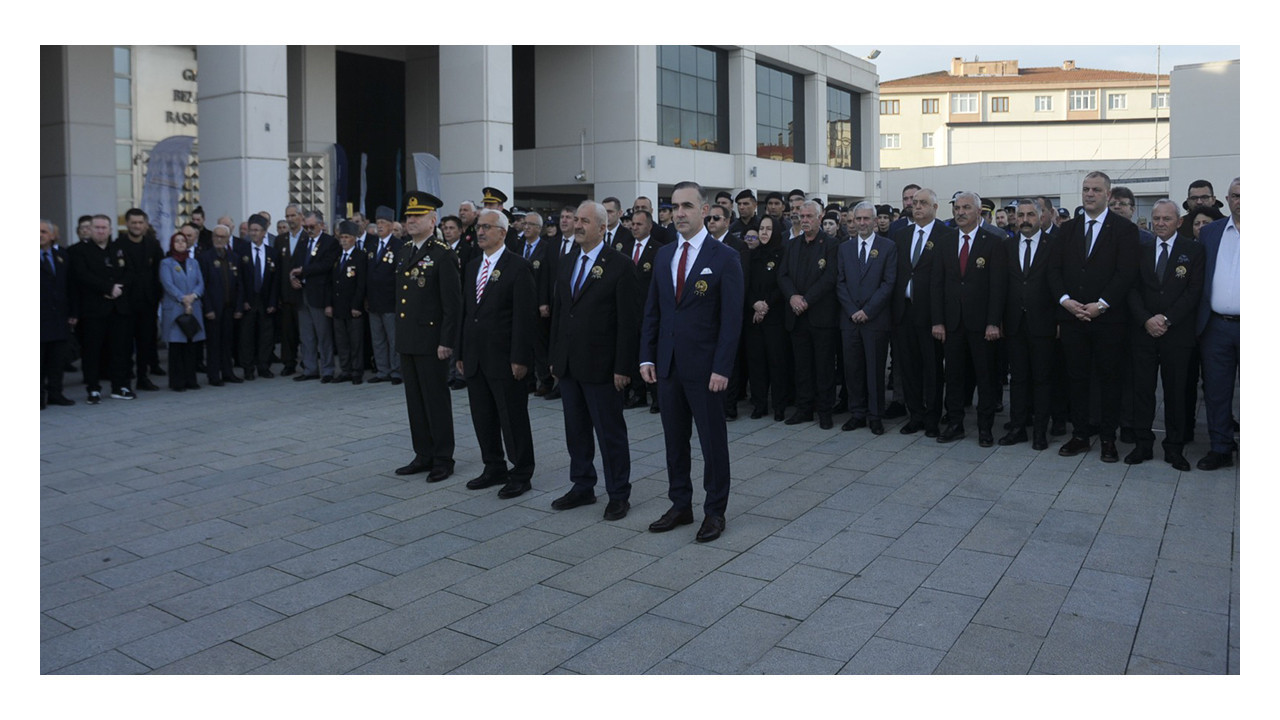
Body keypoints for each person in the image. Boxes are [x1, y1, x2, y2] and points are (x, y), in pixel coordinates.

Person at [640, 181, 744, 543]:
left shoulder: (724, 257)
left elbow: (732, 321)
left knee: (712, 443)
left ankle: (715, 511)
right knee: (674, 440)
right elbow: (654, 311)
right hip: (668, 367)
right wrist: (647, 356)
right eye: (674, 206)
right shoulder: (665, 255)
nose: (679, 213)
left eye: (687, 206)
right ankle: (680, 504)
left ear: (705, 211)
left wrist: (722, 368)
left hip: (706, 370)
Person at [547, 201, 639, 520]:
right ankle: (582, 485)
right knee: (576, 430)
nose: (577, 225)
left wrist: (623, 367)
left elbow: (629, 323)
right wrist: (555, 359)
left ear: (602, 228)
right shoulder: (567, 259)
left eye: (584, 221)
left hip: (603, 367)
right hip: (571, 364)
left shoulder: (620, 264)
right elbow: (560, 312)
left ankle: (618, 493)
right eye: (575, 220)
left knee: (610, 431)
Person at [1049, 171, 1140, 462]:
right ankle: (1080, 435)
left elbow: (1126, 273)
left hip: (1108, 320)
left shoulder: (1124, 230)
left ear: (1108, 195)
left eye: (1096, 190)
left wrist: (1101, 305)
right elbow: (1054, 270)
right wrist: (1066, 302)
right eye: (1086, 189)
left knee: (1109, 379)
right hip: (1073, 317)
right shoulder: (1068, 229)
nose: (1089, 194)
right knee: (1076, 378)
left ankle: (1108, 438)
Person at [457, 209, 538, 500]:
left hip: (505, 358)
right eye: (479, 227)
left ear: (502, 232)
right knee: (483, 415)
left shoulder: (518, 266)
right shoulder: (472, 265)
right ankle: (493, 466)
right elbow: (466, 313)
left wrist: (520, 358)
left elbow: (524, 317)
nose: (480, 232)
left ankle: (521, 472)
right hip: (476, 356)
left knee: (512, 416)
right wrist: (461, 351)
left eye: (487, 227)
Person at [1126, 199, 1204, 470]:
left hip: (1177, 334)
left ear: (1178, 222)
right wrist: (1147, 319)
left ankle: (1174, 448)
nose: (1160, 223)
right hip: (1144, 332)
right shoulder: (1140, 248)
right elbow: (1132, 289)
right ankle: (1142, 445)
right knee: (1143, 391)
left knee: (1176, 392)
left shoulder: (1193, 251)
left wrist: (1167, 319)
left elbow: (1194, 291)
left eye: (1166, 219)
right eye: (1156, 218)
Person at [394, 192, 461, 482]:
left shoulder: (442, 254)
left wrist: (447, 341)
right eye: (408, 216)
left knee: (435, 400)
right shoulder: (404, 250)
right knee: (415, 401)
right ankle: (423, 453)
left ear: (432, 220)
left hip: (432, 341)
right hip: (409, 338)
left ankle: (443, 457)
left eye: (417, 216)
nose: (410, 220)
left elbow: (452, 303)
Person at [936, 192, 1007, 446]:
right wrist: (938, 321)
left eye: (966, 207)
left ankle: (985, 427)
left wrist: (993, 322)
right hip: (953, 323)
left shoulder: (993, 242)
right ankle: (955, 423)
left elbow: (998, 287)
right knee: (953, 375)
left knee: (985, 376)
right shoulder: (945, 241)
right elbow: (938, 285)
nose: (960, 212)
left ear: (979, 212)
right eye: (957, 208)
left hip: (982, 325)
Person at [892, 189, 952, 437]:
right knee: (909, 367)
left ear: (935, 208)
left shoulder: (946, 235)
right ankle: (914, 414)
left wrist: (941, 319)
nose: (917, 207)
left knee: (932, 369)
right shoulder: (901, 235)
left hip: (930, 315)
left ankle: (932, 417)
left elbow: (947, 279)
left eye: (923, 203)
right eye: (914, 203)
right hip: (904, 312)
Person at [836, 201, 897, 434]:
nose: (861, 223)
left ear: (874, 221)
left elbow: (888, 283)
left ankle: (875, 415)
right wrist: (852, 310)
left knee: (874, 370)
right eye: (857, 219)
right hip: (849, 320)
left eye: (865, 219)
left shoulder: (888, 247)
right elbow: (839, 283)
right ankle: (857, 413)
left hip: (875, 320)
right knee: (852, 370)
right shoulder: (844, 248)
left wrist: (867, 311)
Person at [778, 200, 840, 428]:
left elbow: (830, 277)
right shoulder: (792, 245)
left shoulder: (831, 244)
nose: (804, 220)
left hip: (821, 317)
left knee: (823, 367)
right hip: (796, 316)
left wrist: (806, 299)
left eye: (809, 216)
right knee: (801, 366)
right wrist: (793, 296)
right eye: (801, 216)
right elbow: (782, 275)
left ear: (820, 217)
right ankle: (804, 409)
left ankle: (825, 411)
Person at [1000, 200, 1056, 450]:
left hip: (1044, 323)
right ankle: (1018, 428)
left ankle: (1040, 432)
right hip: (1014, 324)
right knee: (1018, 379)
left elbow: (1059, 285)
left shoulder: (1054, 245)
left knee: (1043, 379)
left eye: (1030, 214)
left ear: (1041, 216)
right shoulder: (1006, 246)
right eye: (1020, 214)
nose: (1025, 219)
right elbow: (999, 286)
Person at [1195, 177, 1240, 471]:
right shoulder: (1211, 232)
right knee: (1216, 390)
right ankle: (1221, 447)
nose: (1241, 200)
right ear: (1227, 199)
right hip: (1216, 327)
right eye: (1235, 195)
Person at [69, 214, 134, 404]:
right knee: (92, 351)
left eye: (104, 227)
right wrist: (107, 289)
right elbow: (82, 275)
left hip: (118, 308)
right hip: (94, 310)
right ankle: (93, 388)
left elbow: (130, 271)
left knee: (120, 350)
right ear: (90, 229)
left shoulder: (119, 249)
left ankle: (119, 386)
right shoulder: (80, 251)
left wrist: (119, 288)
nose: (100, 231)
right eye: (97, 227)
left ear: (111, 230)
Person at [743, 214, 791, 421]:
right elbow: (746, 284)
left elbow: (782, 284)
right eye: (761, 228)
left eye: (768, 229)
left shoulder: (783, 254)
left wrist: (766, 306)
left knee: (777, 362)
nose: (764, 233)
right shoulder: (751, 255)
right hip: (753, 317)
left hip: (775, 316)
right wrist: (755, 304)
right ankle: (759, 403)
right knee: (756, 362)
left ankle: (779, 406)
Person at [118, 207, 165, 389]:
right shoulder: (118, 245)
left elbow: (158, 272)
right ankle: (125, 378)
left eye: (140, 222)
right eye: (133, 223)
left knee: (146, 341)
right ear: (127, 224)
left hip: (148, 302)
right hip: (125, 303)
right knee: (125, 343)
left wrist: (157, 296)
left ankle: (143, 377)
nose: (137, 226)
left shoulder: (153, 245)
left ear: (145, 224)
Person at [291, 211, 339, 382]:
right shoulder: (303, 241)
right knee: (306, 335)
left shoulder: (330, 242)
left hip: (320, 294)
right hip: (302, 293)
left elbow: (325, 265)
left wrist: (303, 271)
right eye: (306, 227)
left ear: (321, 225)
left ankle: (327, 370)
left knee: (323, 334)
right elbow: (295, 263)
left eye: (312, 227)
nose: (308, 230)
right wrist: (293, 278)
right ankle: (310, 368)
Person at [198, 224, 244, 386]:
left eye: (222, 237)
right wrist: (208, 308)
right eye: (216, 236)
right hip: (213, 308)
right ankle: (213, 375)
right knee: (213, 343)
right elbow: (202, 285)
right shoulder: (204, 258)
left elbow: (240, 284)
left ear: (227, 239)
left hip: (229, 308)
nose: (218, 239)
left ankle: (227, 372)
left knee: (227, 342)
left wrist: (239, 307)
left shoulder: (234, 257)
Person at [159, 231, 205, 391]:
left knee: (191, 346)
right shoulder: (166, 263)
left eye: (183, 241)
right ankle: (177, 382)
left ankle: (191, 380)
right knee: (177, 347)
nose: (180, 243)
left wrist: (193, 296)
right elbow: (168, 284)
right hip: (175, 308)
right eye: (177, 241)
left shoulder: (194, 263)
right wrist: (183, 298)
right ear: (172, 244)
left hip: (193, 307)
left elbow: (201, 283)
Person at [239, 215, 280, 380]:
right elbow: (239, 279)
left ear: (264, 232)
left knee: (266, 335)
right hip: (249, 300)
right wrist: (243, 300)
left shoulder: (272, 253)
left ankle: (264, 366)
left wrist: (272, 301)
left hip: (265, 300)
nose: (253, 233)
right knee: (247, 335)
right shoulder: (242, 251)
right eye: (251, 230)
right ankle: (248, 368)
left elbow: (275, 280)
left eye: (257, 230)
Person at [41, 220, 75, 408]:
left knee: (56, 360)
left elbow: (71, 286)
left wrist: (73, 312)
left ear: (53, 235)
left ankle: (56, 393)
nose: (40, 235)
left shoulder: (61, 255)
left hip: (59, 317)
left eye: (44, 231)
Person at [330, 220, 367, 384]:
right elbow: (332, 282)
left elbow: (361, 284)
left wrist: (356, 305)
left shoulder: (360, 256)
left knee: (356, 341)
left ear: (354, 238)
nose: (343, 240)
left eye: (347, 237)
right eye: (341, 237)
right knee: (341, 341)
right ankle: (345, 370)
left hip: (353, 307)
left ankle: (357, 371)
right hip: (339, 306)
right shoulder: (338, 256)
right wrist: (330, 304)